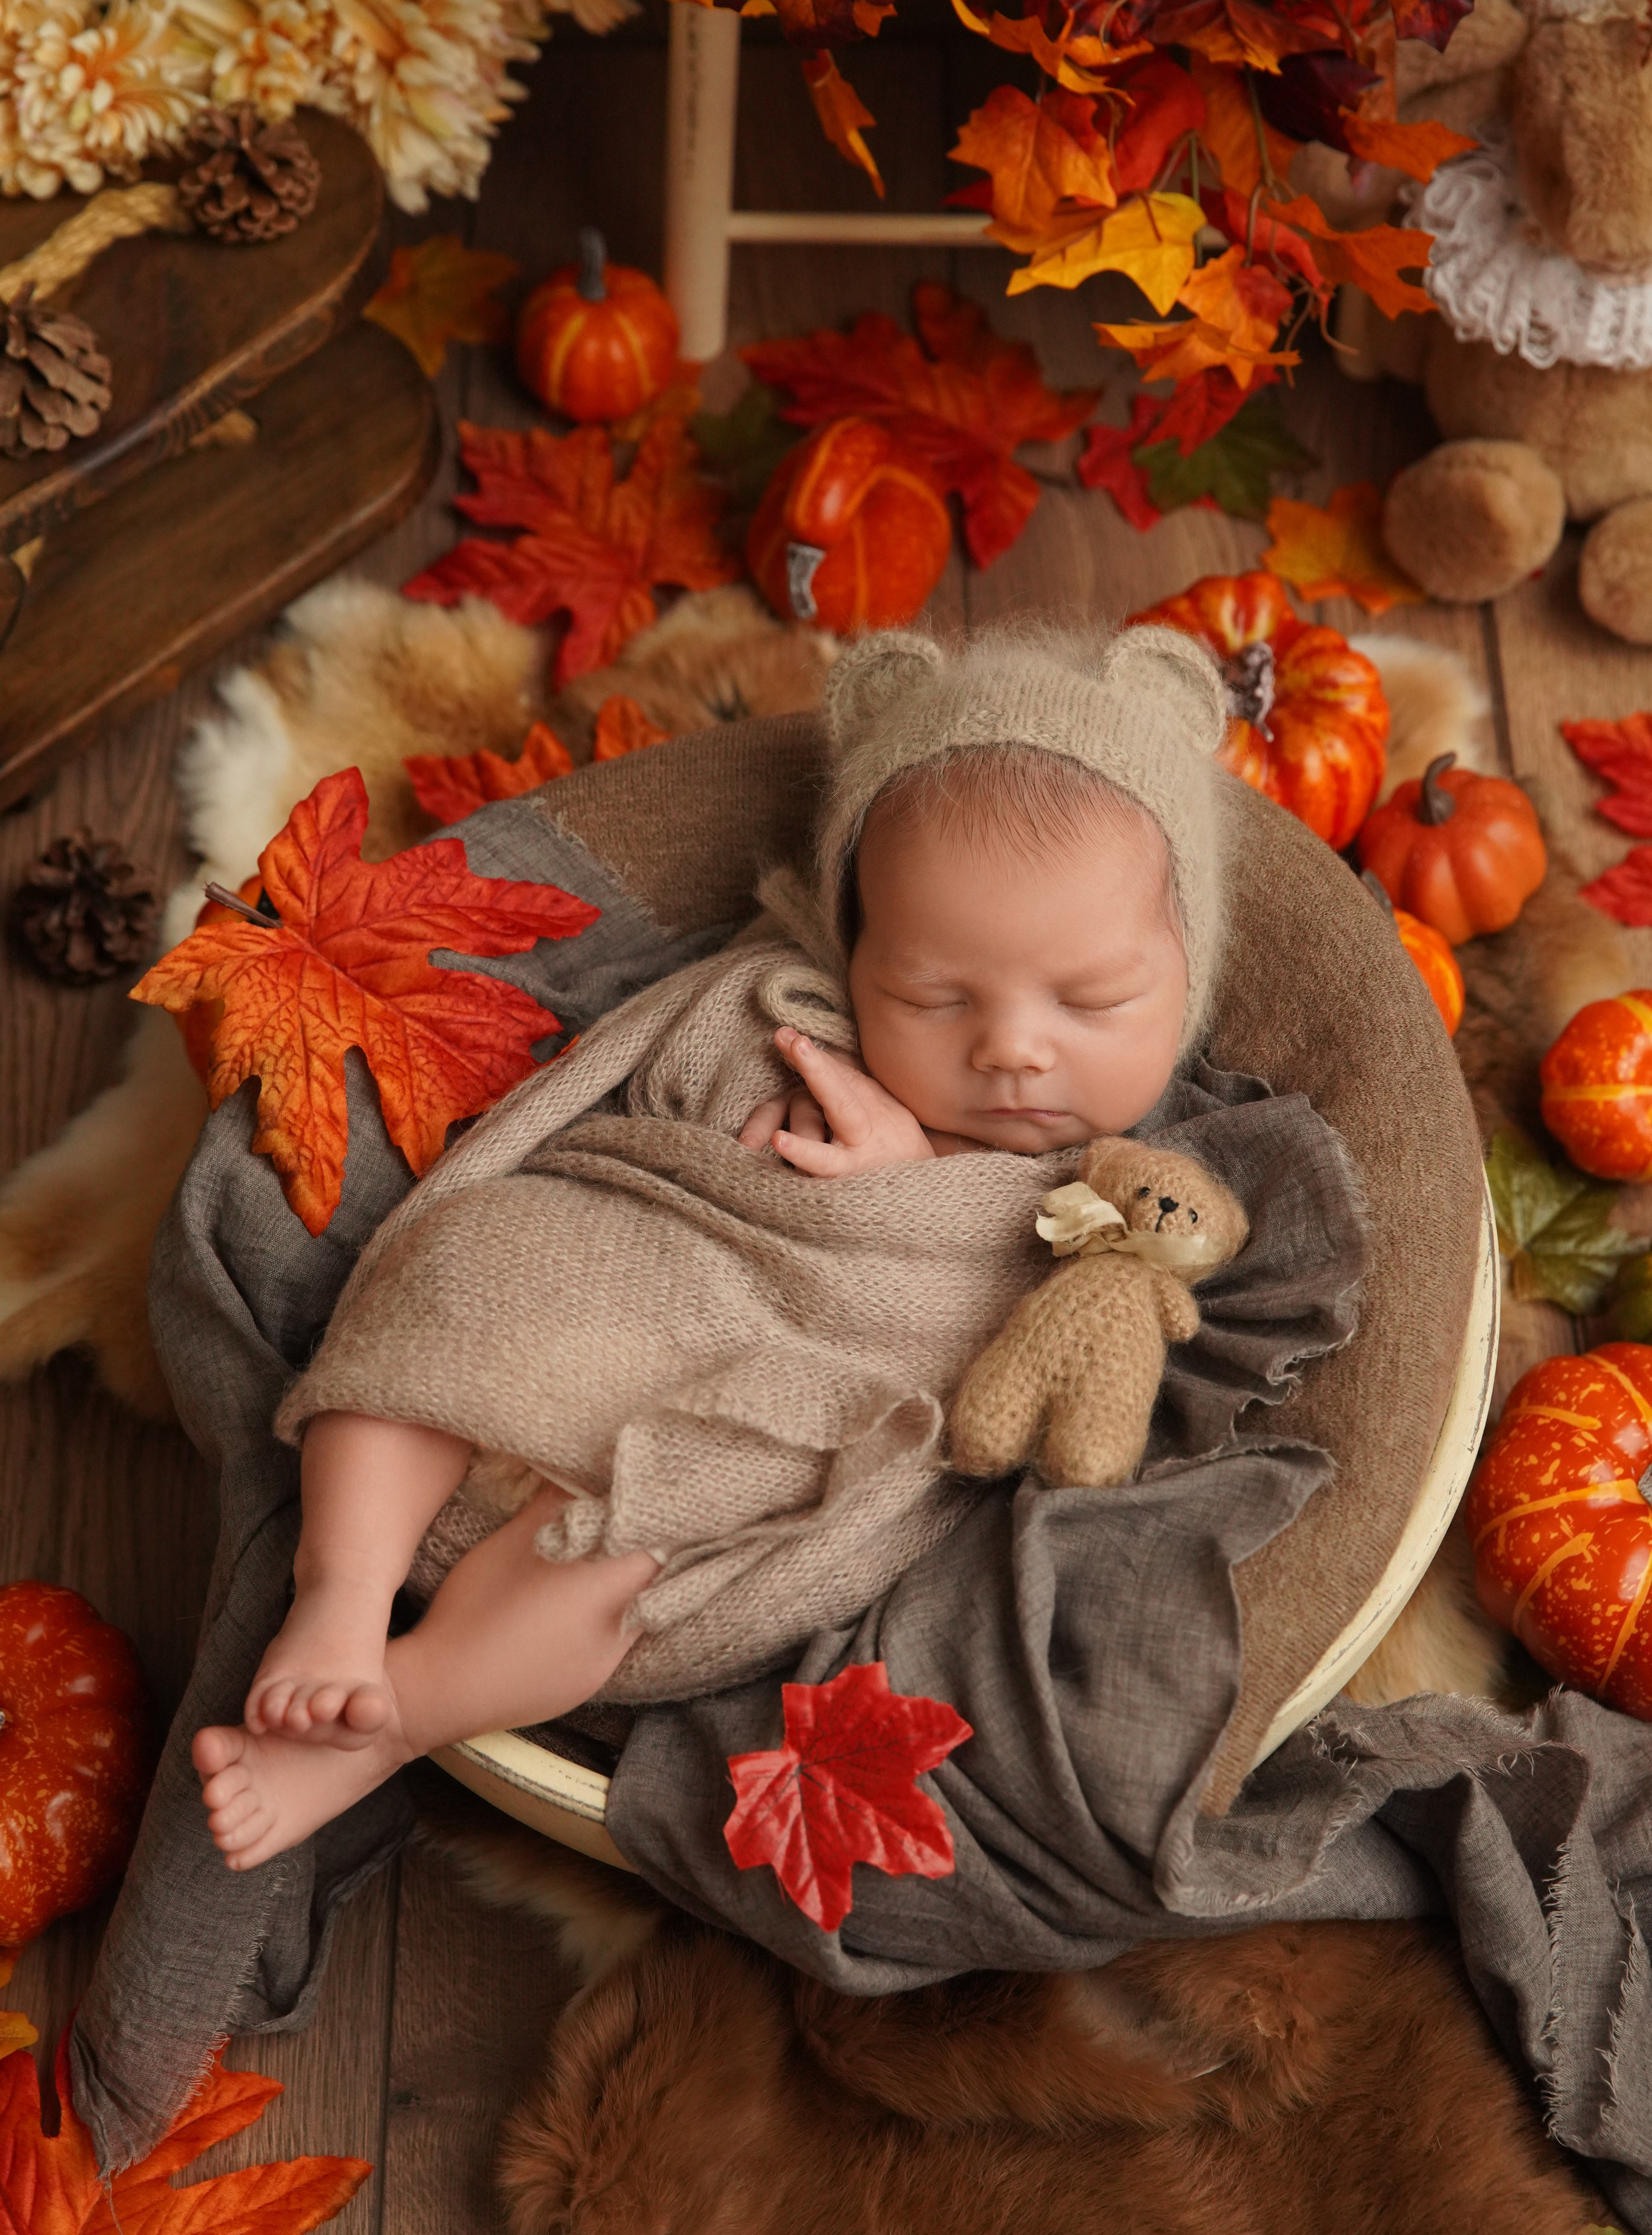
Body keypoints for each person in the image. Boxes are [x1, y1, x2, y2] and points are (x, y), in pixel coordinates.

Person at [193, 620, 1229, 1868]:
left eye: (1093, 1001)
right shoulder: (793, 1013)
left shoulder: (1107, 1204)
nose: (1011, 1046)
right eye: (931, 996)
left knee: (624, 1569)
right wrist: (762, 1109)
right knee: (460, 1277)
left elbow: (1045, 1361)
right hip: (626, 1293)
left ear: (1188, 973)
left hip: (756, 1425)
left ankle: (394, 1719)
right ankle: (340, 1596)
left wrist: (911, 1190)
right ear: (851, 947)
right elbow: (677, 1083)